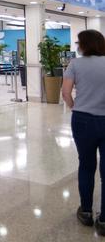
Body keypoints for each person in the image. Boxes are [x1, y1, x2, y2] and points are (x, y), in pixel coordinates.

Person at [62, 29, 105, 235]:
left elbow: (65, 92)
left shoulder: (75, 64)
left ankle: (86, 211)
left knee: (87, 166)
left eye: (79, 42)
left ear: (85, 44)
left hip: (83, 119)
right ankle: (104, 219)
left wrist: (75, 107)